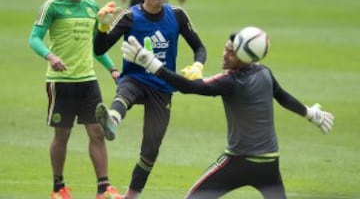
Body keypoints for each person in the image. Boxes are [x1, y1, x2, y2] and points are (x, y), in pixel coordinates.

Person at [120, 29, 335, 199]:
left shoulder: (231, 81)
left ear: (243, 56)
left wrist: (151, 63)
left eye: (231, 52)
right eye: (225, 48)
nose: (225, 54)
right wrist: (310, 114)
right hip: (269, 164)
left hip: (238, 162)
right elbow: (283, 97)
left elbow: (189, 88)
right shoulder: (264, 73)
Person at [94, 0, 206, 198]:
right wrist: (103, 27)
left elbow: (199, 47)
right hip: (135, 78)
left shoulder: (177, 15)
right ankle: (111, 121)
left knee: (151, 150)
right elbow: (99, 48)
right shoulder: (129, 17)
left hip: (163, 86)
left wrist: (198, 65)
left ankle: (130, 196)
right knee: (124, 93)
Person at [28, 0, 124, 199]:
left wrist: (112, 69)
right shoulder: (52, 7)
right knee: (63, 134)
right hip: (60, 82)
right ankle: (58, 187)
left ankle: (104, 188)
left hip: (88, 80)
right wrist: (50, 56)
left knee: (97, 133)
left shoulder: (92, 7)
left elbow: (96, 47)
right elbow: (34, 38)